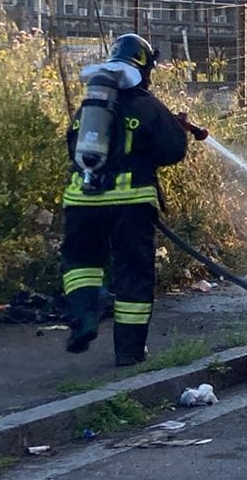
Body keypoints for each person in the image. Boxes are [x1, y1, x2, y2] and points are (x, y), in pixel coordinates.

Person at [59, 34, 201, 366]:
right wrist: (173, 130)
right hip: (131, 203)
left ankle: (84, 317)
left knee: (81, 263)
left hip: (81, 200)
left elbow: (72, 147)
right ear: (145, 68)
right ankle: (129, 353)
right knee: (133, 275)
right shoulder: (146, 105)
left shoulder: (90, 106)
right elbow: (172, 151)